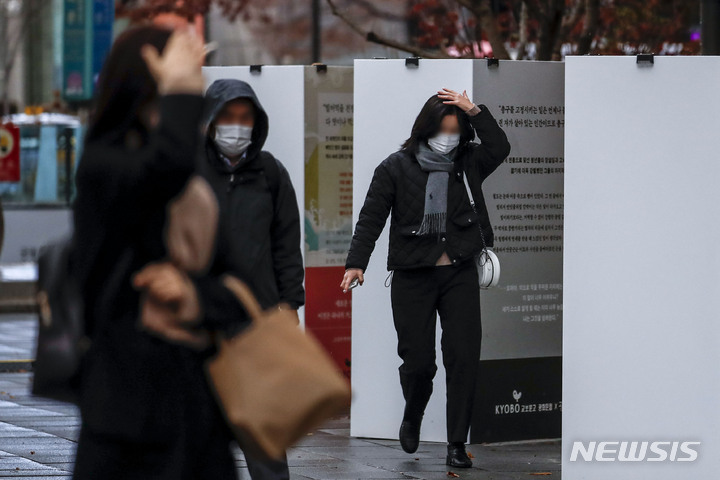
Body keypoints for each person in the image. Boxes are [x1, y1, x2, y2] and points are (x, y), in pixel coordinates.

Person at [71, 26, 249, 479]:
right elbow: (160, 171)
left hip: (198, 415)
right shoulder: (103, 165)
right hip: (126, 421)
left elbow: (236, 288)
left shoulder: (197, 184)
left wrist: (195, 298)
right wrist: (182, 92)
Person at [341, 89, 511, 468]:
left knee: (464, 357)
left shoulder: (469, 161)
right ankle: (413, 412)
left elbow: (500, 146)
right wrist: (357, 263)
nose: (448, 136)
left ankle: (455, 444)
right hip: (412, 276)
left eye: (455, 129)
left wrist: (474, 110)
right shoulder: (395, 167)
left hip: (459, 273)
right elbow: (371, 218)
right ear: (425, 129)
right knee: (418, 362)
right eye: (442, 128)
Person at [198, 78, 306, 480]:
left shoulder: (270, 173)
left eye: (245, 118)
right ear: (210, 119)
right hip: (200, 318)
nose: (236, 126)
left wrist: (290, 302)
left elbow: (285, 241)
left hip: (255, 317)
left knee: (264, 431)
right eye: (227, 116)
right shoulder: (190, 168)